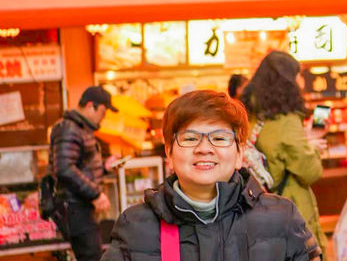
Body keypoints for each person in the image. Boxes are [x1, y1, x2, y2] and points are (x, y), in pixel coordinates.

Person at [102, 90, 321, 261]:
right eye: (189, 139)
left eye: (219, 138)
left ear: (239, 153)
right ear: (169, 151)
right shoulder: (134, 226)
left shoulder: (282, 217)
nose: (204, 148)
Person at [242, 51, 328, 255]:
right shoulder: (286, 119)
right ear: (288, 81)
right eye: (298, 75)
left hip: (259, 208)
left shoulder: (252, 115)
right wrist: (313, 148)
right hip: (289, 209)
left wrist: (304, 138)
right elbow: (310, 171)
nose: (301, 81)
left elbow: (275, 150)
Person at [49, 86, 120, 261]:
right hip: (75, 207)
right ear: (90, 106)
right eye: (103, 112)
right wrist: (95, 194)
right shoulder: (69, 128)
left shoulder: (80, 128)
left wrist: (104, 167)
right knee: (92, 257)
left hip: (81, 206)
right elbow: (65, 169)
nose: (103, 118)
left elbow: (79, 166)